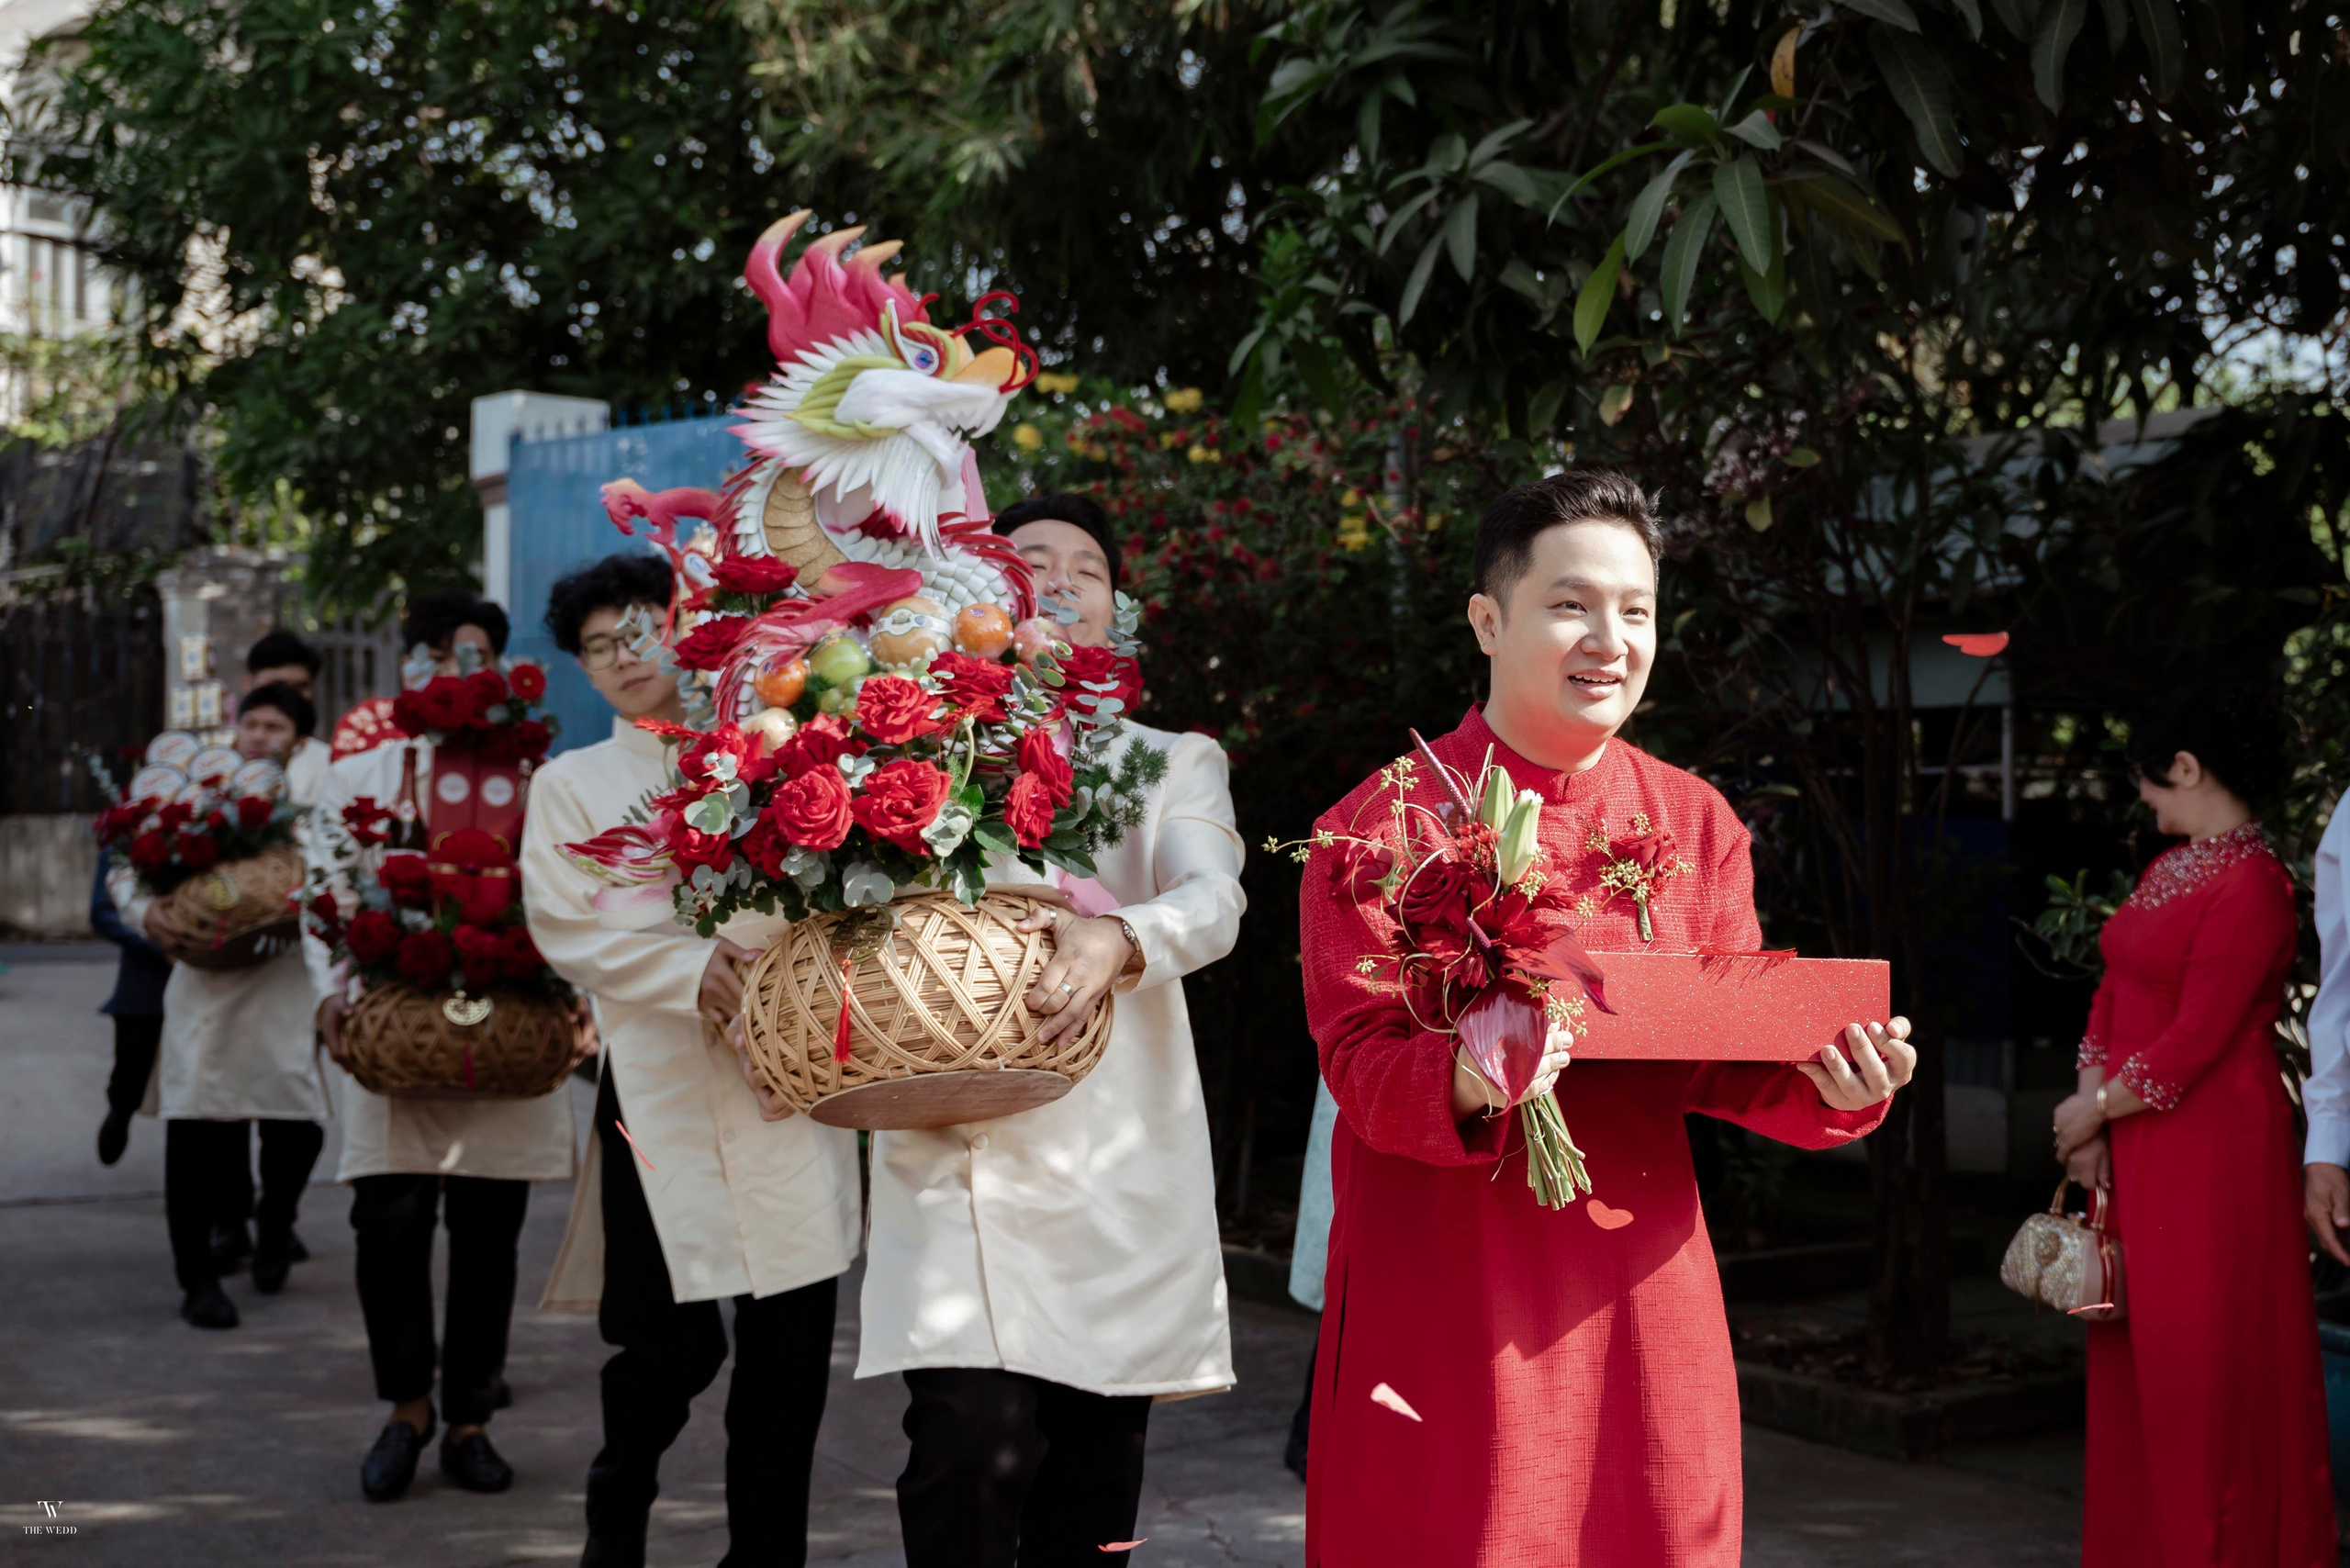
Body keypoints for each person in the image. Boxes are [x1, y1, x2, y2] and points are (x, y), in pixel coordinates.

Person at [1296, 470, 1916, 1567]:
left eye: (1637, 611)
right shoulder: (1376, 825)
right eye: (1572, 604)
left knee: (1655, 1525)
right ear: (1488, 620)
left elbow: (1717, 1055)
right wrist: (1478, 1072)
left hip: (1639, 1280)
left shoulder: (1692, 817)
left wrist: (1836, 1084)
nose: (1611, 638)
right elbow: (1357, 1062)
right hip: (1448, 1279)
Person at [799, 492, 1241, 1567]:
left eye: (1085, 566)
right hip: (956, 1147)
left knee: (1092, 1497)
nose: (1057, 576)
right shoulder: (900, 756)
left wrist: (1121, 938)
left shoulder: (1167, 760)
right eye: (1028, 557)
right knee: (960, 1454)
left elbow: (1214, 895)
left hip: (1115, 1164)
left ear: (1114, 611)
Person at [522, 552, 861, 1568]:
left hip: (789, 1083)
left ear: (683, 629)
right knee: (664, 1345)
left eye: (639, 630)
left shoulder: (787, 753)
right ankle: (617, 1503)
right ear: (581, 671)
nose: (624, 657)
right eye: (597, 647)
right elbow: (564, 926)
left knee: (790, 1350)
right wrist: (687, 970)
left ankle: (768, 1556)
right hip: (654, 1091)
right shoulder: (571, 784)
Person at [2053, 686, 2333, 1566]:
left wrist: (2089, 1109)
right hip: (2135, 1138)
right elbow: (2111, 990)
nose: (2144, 798)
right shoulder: (2167, 868)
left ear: (2186, 768)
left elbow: (2195, 1044)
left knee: (2201, 1369)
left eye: (2150, 780)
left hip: (2214, 1151)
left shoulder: (2256, 883)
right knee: (2139, 1361)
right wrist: (2091, 1125)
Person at [308, 589, 577, 1503]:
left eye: (469, 652)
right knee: (385, 1221)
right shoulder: (360, 776)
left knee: (488, 1230)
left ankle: (469, 1418)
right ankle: (404, 1407)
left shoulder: (537, 776)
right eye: (430, 650)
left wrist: (576, 1004)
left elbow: (567, 900)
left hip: (505, 1030)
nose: (449, 667)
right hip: (396, 1028)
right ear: (405, 668)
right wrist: (332, 991)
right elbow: (329, 889)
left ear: (496, 671)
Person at [111, 681, 332, 1329]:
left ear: (300, 743)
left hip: (286, 982)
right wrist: (149, 913)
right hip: (202, 988)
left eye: (277, 729)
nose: (260, 737)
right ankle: (198, 1281)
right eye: (252, 725)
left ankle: (275, 1225)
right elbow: (127, 873)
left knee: (295, 1123)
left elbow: (344, 884)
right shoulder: (188, 802)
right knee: (194, 1128)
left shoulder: (317, 809)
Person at [205, 630, 332, 1271]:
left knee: (294, 1098)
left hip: (295, 961)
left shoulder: (329, 766)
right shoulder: (210, 769)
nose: (276, 709)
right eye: (265, 694)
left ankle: (279, 1215)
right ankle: (232, 1220)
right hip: (224, 956)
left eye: (298, 692)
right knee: (225, 1099)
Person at [91, 844, 173, 1166]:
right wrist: (156, 940)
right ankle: (121, 1111)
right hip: (145, 985)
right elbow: (102, 912)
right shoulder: (125, 842)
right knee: (131, 1071)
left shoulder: (222, 832)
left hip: (209, 980)